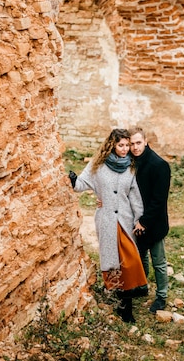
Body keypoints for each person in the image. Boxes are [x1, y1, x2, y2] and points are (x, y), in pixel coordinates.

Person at [68, 128, 147, 323]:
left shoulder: (131, 167)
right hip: (106, 220)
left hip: (125, 221)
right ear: (112, 145)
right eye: (121, 145)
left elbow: (135, 196)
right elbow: (81, 184)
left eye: (127, 145)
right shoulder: (98, 165)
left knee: (128, 261)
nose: (125, 149)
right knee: (111, 261)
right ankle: (117, 301)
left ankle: (127, 306)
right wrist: (72, 180)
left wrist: (139, 219)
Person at [128, 127, 171, 314]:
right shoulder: (130, 162)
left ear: (145, 141)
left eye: (138, 143)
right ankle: (142, 286)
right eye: (131, 144)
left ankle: (162, 296)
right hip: (136, 219)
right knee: (140, 255)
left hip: (153, 222)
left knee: (158, 261)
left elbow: (158, 200)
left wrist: (144, 222)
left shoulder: (159, 165)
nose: (135, 147)